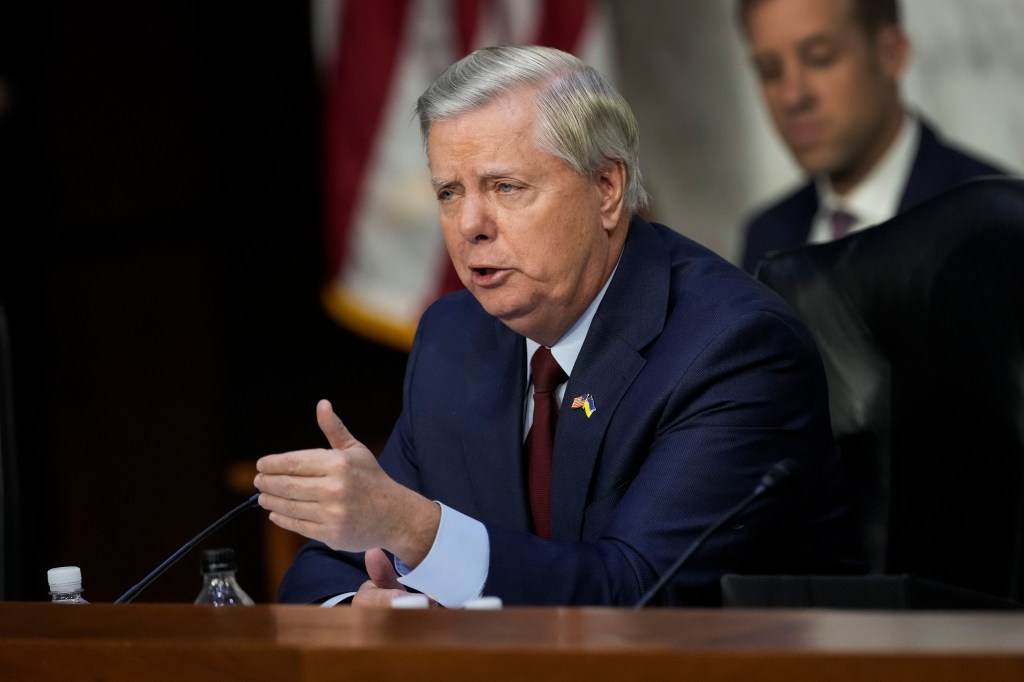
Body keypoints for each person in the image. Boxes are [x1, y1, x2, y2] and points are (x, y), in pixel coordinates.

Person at [255, 44, 863, 608]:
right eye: (448, 192)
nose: (470, 225)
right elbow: (326, 571)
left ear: (606, 188)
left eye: (505, 186)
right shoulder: (454, 338)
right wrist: (368, 608)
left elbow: (633, 594)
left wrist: (416, 531)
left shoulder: (731, 348)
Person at [737, 0, 1006, 274]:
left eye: (820, 58)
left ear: (891, 53)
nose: (793, 97)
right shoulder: (766, 237)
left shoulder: (995, 218)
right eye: (769, 71)